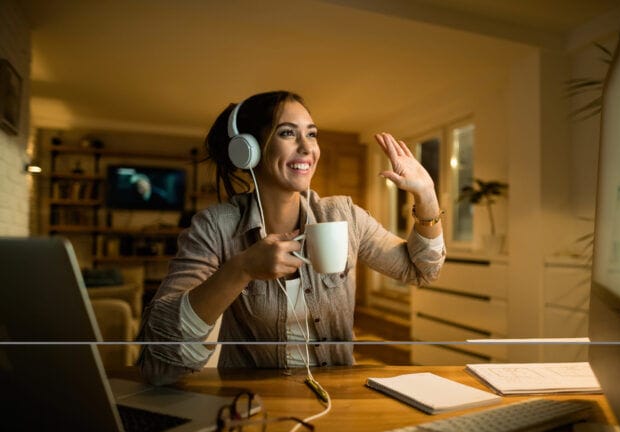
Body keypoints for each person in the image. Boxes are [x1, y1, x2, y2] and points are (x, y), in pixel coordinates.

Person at [137, 90, 445, 385]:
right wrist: (240, 269)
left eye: (311, 134)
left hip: (336, 398)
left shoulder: (344, 215)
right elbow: (160, 363)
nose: (307, 148)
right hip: (251, 402)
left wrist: (427, 194)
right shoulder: (215, 226)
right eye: (287, 133)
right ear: (249, 150)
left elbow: (421, 270)